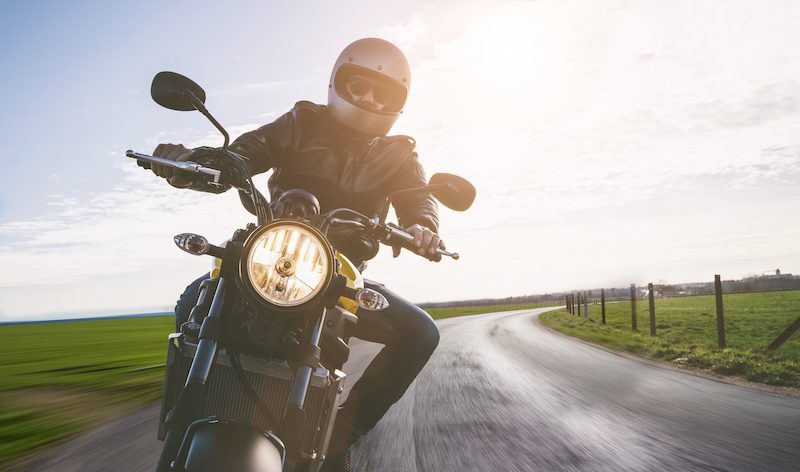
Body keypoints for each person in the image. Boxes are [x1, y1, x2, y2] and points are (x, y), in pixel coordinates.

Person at [151, 38, 444, 471]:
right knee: (193, 299)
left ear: (397, 103)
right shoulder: (302, 122)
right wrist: (195, 163)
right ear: (338, 83)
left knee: (420, 333)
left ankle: (340, 436)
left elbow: (418, 197)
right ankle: (194, 402)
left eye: (383, 93)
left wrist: (425, 227)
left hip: (341, 276)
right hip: (266, 254)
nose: (368, 98)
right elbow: (245, 152)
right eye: (359, 85)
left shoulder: (399, 154)